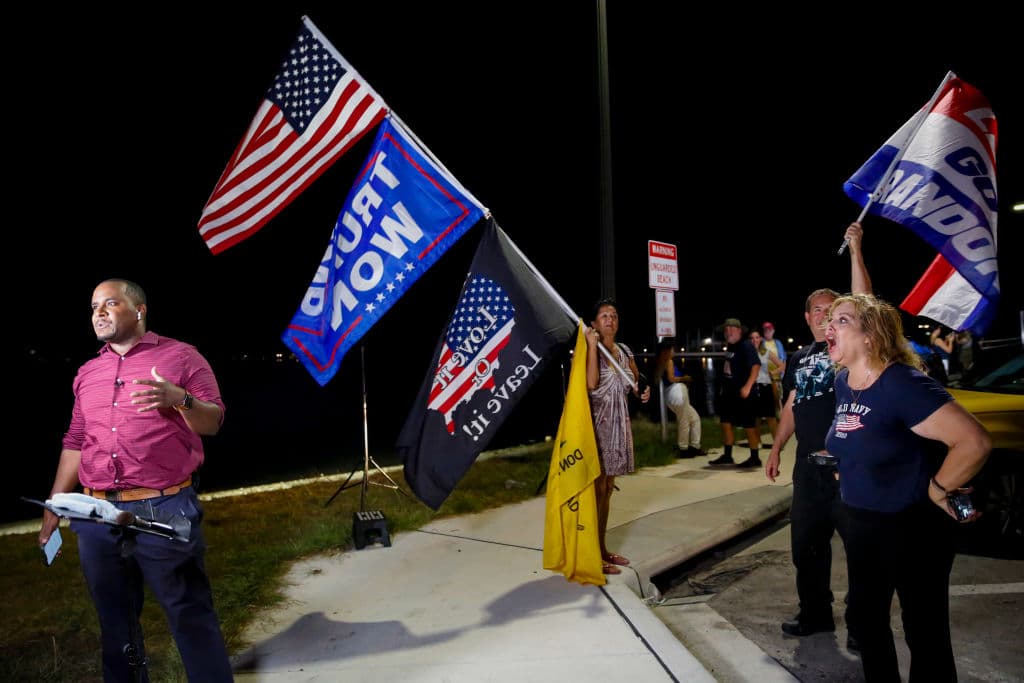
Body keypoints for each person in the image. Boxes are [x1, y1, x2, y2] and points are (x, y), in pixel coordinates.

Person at [37, 279, 234, 682]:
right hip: (96, 514)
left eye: (110, 303)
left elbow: (213, 422)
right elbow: (76, 442)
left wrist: (180, 399)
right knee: (115, 625)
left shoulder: (181, 356)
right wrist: (54, 504)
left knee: (189, 615)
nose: (99, 313)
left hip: (163, 507)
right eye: (94, 306)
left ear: (140, 310)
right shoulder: (88, 372)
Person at [824, 293, 991, 682]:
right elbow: (862, 435)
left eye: (842, 320)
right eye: (829, 319)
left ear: (871, 336)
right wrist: (847, 465)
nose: (829, 326)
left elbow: (974, 441)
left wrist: (938, 488)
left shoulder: (903, 383)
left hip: (912, 527)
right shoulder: (843, 382)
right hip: (862, 522)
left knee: (924, 631)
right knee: (866, 622)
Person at [764, 221, 871, 648]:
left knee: (861, 552)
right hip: (808, 470)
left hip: (849, 469)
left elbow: (863, 305)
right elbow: (793, 403)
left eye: (832, 310)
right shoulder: (799, 358)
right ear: (807, 317)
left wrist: (856, 250)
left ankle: (864, 628)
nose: (824, 316)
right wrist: (777, 447)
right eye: (818, 310)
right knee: (806, 547)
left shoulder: (849, 350)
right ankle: (815, 615)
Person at [586, 298, 651, 575]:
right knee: (597, 489)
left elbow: (636, 381)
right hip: (597, 427)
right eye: (604, 316)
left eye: (613, 315)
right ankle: (591, 553)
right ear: (594, 323)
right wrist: (591, 346)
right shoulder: (590, 349)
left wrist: (643, 391)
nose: (610, 319)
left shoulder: (624, 351)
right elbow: (591, 383)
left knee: (609, 488)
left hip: (618, 426)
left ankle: (601, 548)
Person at [708, 318, 762, 468]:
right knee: (725, 422)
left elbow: (756, 366)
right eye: (726, 330)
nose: (728, 332)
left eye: (731, 329)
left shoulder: (746, 345)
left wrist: (748, 386)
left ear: (739, 331)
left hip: (743, 390)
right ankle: (727, 456)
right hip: (729, 391)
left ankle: (755, 457)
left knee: (748, 425)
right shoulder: (731, 346)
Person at [652, 338, 705, 457]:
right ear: (667, 351)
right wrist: (684, 378)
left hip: (670, 395)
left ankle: (695, 446)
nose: (673, 351)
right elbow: (671, 378)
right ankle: (683, 449)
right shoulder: (669, 361)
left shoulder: (660, 362)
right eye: (672, 349)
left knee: (694, 419)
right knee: (684, 420)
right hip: (677, 392)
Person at [749, 329, 782, 440]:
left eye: (757, 337)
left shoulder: (766, 352)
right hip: (753, 387)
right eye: (752, 338)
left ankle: (777, 443)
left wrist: (772, 373)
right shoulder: (747, 353)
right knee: (755, 417)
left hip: (765, 386)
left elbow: (782, 366)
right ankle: (756, 443)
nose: (754, 340)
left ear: (760, 339)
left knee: (770, 417)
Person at [762, 321, 787, 416]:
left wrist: (782, 372)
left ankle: (780, 417)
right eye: (765, 330)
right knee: (765, 399)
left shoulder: (778, 343)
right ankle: (766, 417)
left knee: (778, 399)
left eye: (769, 330)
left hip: (776, 377)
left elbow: (783, 359)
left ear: (773, 331)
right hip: (764, 377)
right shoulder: (761, 342)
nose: (767, 332)